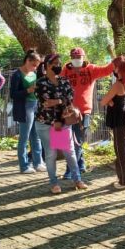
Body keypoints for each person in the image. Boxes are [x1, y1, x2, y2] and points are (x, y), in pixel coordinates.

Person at [35, 53, 87, 194]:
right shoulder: (41, 83)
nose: (58, 66)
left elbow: (69, 98)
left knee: (69, 152)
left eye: (59, 63)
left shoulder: (64, 80)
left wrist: (57, 102)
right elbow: (46, 102)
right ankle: (54, 183)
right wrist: (60, 101)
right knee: (51, 154)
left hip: (62, 122)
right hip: (46, 123)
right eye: (55, 63)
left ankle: (77, 179)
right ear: (47, 65)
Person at [61, 47, 114, 177]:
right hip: (68, 111)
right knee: (67, 141)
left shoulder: (91, 69)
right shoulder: (66, 70)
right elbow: (59, 84)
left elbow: (107, 70)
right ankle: (81, 165)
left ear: (84, 57)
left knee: (77, 140)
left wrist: (114, 57)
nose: (76, 59)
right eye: (74, 57)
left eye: (79, 57)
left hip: (84, 111)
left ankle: (70, 170)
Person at [101, 55, 125, 189]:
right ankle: (123, 178)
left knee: (121, 151)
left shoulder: (118, 85)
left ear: (119, 68)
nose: (113, 68)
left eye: (114, 66)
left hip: (120, 120)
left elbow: (103, 101)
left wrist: (109, 101)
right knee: (123, 150)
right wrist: (111, 101)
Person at [11, 50, 46, 174]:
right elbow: (13, 94)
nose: (35, 68)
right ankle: (24, 165)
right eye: (34, 65)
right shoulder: (17, 74)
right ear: (27, 61)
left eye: (37, 65)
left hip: (35, 105)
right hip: (24, 107)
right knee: (24, 138)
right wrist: (28, 91)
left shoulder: (34, 72)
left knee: (36, 136)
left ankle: (38, 162)